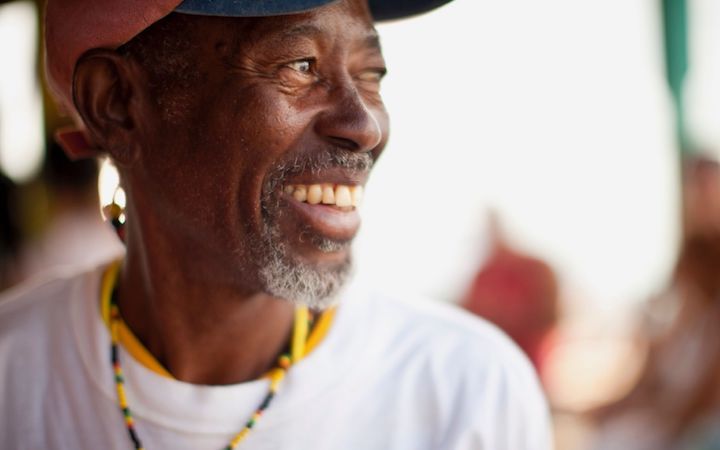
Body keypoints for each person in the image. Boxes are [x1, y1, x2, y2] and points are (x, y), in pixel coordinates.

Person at [0, 1, 552, 448]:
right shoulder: (14, 378)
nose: (363, 126)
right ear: (117, 104)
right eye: (300, 65)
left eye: (370, 73)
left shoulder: (465, 394)